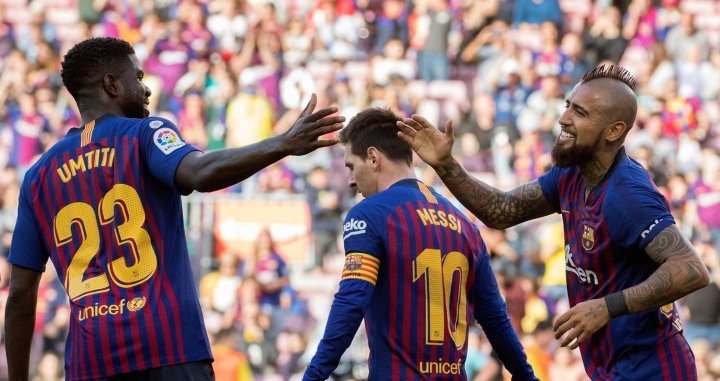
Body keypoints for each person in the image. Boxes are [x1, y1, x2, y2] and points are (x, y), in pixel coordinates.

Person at [5, 37, 344, 381]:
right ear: (112, 84)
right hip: (167, 348)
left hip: (91, 362)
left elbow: (19, 294)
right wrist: (282, 143)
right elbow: (200, 172)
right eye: (137, 78)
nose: (147, 89)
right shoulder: (147, 133)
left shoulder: (38, 176)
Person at [397, 64, 710, 379]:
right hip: (612, 368)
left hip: (654, 369)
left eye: (581, 113)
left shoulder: (628, 195)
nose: (564, 119)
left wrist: (606, 307)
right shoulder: (571, 173)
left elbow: (692, 270)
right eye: (568, 106)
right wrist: (445, 164)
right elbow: (501, 210)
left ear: (613, 131)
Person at [303, 108, 537, 380]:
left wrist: (313, 376)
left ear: (373, 157)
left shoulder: (369, 214)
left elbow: (351, 302)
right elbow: (495, 319)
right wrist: (528, 378)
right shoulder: (465, 224)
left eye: (351, 167)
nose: (352, 181)